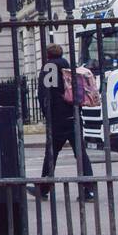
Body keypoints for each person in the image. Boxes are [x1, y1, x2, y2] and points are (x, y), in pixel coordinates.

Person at [35, 43, 96, 201]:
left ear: (47, 55)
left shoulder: (49, 67)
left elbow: (45, 95)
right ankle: (89, 190)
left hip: (57, 118)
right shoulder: (68, 67)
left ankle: (43, 189)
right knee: (80, 153)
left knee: (51, 154)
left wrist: (47, 116)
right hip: (73, 115)